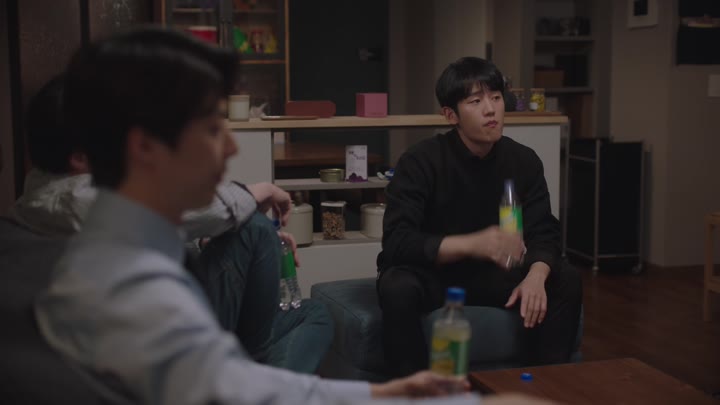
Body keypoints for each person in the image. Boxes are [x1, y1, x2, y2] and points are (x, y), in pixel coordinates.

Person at [30, 27, 483, 404]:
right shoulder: (126, 283)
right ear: (143, 146)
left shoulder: (130, 244)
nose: (230, 146)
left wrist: (383, 393)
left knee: (301, 301)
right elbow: (228, 387)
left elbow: (229, 381)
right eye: (212, 128)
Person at [5, 75, 332, 375]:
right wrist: (261, 191)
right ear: (80, 158)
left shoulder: (48, 188)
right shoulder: (75, 200)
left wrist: (210, 241)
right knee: (255, 229)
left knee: (312, 312)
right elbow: (193, 205)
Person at [376, 56, 583, 377]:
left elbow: (544, 231)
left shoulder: (523, 160)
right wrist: (474, 243)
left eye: (496, 98)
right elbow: (397, 242)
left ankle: (544, 384)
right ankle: (415, 391)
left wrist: (536, 275)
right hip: (436, 275)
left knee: (565, 277)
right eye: (476, 101)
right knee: (396, 285)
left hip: (494, 276)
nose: (491, 110)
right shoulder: (420, 161)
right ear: (451, 115)